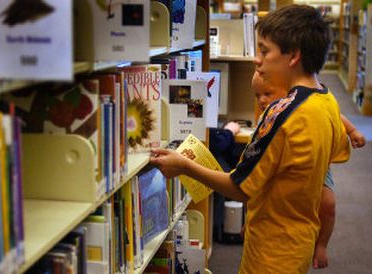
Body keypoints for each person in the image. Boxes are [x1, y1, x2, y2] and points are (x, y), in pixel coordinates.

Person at [150, 5, 351, 273]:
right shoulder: (328, 102)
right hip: (299, 242)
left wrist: (184, 166)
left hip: (270, 252)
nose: (257, 59)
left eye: (265, 50)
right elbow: (332, 155)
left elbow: (239, 187)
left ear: (293, 56)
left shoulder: (283, 114)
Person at [251, 71, 366, 269]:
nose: (262, 100)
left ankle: (322, 245)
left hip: (314, 162)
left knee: (328, 204)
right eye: (257, 95)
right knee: (257, 189)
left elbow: (335, 114)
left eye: (267, 94)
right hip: (280, 165)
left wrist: (352, 131)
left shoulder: (305, 103)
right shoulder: (268, 114)